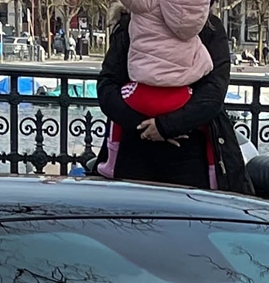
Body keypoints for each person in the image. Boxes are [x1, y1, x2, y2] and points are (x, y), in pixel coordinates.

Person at [96, 1, 241, 190]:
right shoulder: (209, 27)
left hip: (140, 148)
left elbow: (108, 86)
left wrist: (151, 126)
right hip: (186, 148)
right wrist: (163, 127)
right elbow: (212, 94)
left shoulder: (133, 20)